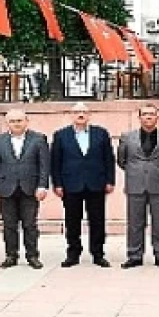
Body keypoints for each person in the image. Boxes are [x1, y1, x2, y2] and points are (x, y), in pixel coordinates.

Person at [51, 102, 116, 268]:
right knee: (72, 220)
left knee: (97, 220)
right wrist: (57, 183)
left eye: (84, 112)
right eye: (77, 112)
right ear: (71, 115)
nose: (80, 114)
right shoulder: (60, 135)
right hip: (70, 184)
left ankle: (98, 253)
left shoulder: (101, 133)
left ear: (89, 115)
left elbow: (109, 158)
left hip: (96, 183)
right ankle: (73, 253)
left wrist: (110, 180)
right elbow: (55, 161)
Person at [117, 103, 159, 269]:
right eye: (145, 114)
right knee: (135, 223)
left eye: (152, 114)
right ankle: (134, 256)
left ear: (157, 117)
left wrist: (158, 171)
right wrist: (136, 171)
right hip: (135, 185)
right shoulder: (126, 137)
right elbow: (122, 160)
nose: (148, 117)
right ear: (139, 118)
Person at [0, 109, 50, 269]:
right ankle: (11, 255)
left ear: (26, 121)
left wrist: (42, 186)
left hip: (30, 188)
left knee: (30, 225)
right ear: (7, 123)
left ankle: (32, 256)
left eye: (19, 120)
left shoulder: (38, 139)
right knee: (9, 225)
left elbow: (44, 165)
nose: (16, 124)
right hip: (6, 187)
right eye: (12, 121)